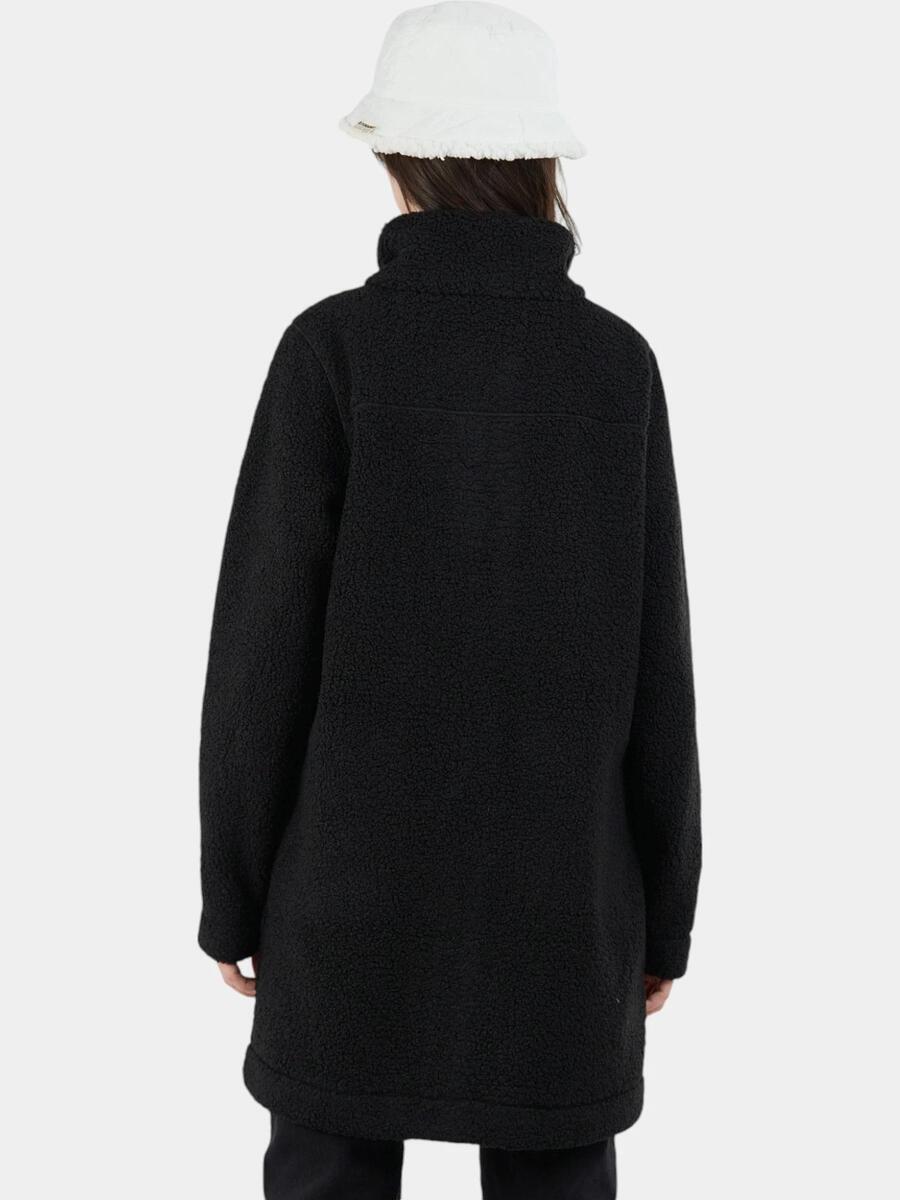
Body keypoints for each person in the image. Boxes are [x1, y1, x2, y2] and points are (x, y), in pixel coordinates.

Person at [198, 3, 702, 1196]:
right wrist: (664, 913)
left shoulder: (332, 352)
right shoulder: (615, 366)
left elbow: (261, 652)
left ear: (399, 158)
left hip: (345, 904)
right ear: (544, 166)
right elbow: (658, 666)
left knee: (327, 1166)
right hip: (563, 911)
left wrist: (234, 896)